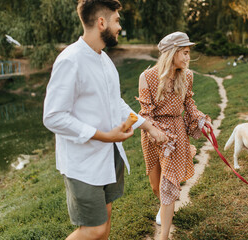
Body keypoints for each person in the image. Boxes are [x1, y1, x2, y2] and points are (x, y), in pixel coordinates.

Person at [43, 1, 166, 239]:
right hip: (83, 163)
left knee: (106, 221)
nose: (120, 27)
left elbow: (116, 104)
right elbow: (53, 116)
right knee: (94, 229)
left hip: (109, 156)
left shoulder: (105, 60)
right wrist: (104, 136)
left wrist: (148, 125)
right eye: (117, 21)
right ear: (102, 22)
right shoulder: (71, 60)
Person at [137, 31, 211, 240]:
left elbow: (189, 104)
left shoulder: (187, 76)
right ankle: (166, 207)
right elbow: (146, 113)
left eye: (188, 53)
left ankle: (164, 236)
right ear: (172, 53)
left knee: (168, 184)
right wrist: (155, 131)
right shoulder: (147, 77)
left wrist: (201, 121)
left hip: (176, 133)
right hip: (153, 134)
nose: (189, 58)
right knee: (155, 185)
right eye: (185, 53)